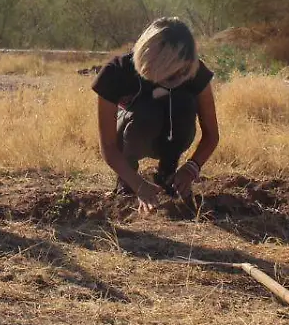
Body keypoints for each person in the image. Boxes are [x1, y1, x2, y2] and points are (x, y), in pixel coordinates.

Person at [92, 18, 221, 212]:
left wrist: (191, 168)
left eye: (183, 72)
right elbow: (108, 146)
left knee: (184, 103)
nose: (179, 77)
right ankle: (126, 181)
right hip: (130, 136)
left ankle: (167, 174)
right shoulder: (115, 72)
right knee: (147, 114)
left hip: (170, 137)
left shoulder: (193, 69)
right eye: (172, 73)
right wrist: (137, 184)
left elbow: (211, 135)